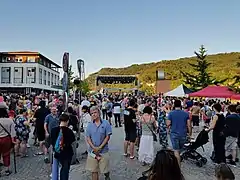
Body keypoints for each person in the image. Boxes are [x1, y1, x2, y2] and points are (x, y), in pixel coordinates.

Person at [85, 106, 112, 180]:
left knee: (105, 169)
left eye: (95, 112)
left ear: (99, 113)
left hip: (103, 151)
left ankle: (107, 175)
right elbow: (88, 138)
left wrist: (100, 147)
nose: (93, 114)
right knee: (94, 171)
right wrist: (93, 147)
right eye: (92, 113)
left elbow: (107, 136)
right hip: (92, 152)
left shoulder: (106, 123)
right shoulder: (89, 125)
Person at [166, 99, 192, 167]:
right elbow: (189, 125)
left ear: (174, 105)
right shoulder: (186, 113)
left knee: (176, 150)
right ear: (180, 105)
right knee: (180, 150)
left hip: (174, 133)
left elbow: (168, 124)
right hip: (183, 134)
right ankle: (178, 159)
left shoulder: (171, 113)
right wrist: (189, 134)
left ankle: (178, 166)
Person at [51, 113, 76, 180]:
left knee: (56, 169)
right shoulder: (69, 131)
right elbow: (72, 141)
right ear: (67, 121)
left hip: (57, 153)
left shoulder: (53, 130)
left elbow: (51, 141)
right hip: (67, 153)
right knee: (65, 170)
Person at [0, 100, 16, 176]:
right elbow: (13, 132)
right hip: (6, 139)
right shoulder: (9, 121)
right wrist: (13, 140)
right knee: (6, 154)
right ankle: (7, 170)